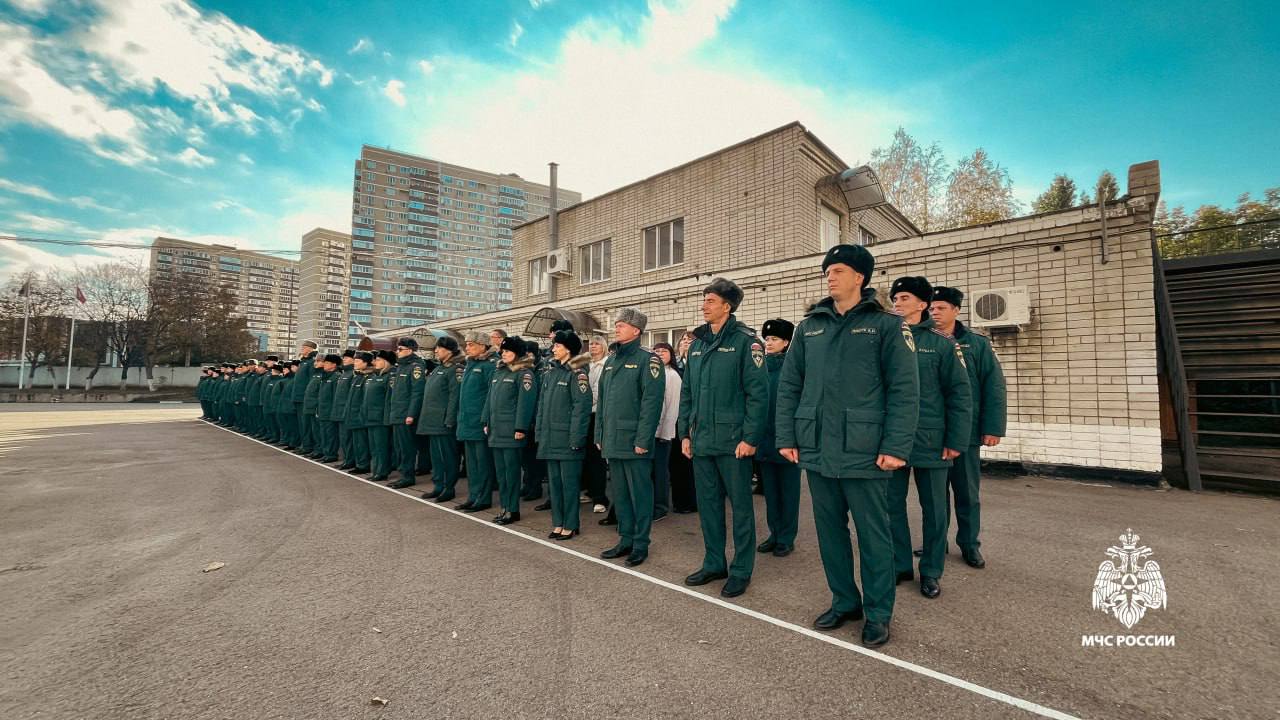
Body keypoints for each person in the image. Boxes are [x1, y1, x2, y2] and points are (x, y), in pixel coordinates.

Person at [775, 244, 919, 648]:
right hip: (817, 447)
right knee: (829, 532)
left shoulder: (888, 326)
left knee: (874, 535)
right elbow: (789, 386)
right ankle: (844, 602)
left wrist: (896, 445)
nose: (830, 276)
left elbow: (905, 390)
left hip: (866, 448)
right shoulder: (810, 327)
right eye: (828, 271)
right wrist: (786, 436)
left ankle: (878, 613)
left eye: (838, 270)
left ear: (860, 277)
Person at [678, 277, 770, 599]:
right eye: (704, 300)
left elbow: (758, 395)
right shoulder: (699, 343)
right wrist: (684, 433)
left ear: (727, 306)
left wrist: (750, 437)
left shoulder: (747, 342)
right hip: (701, 440)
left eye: (710, 301)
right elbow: (687, 392)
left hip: (734, 443)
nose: (704, 305)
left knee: (742, 509)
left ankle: (741, 570)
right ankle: (714, 562)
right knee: (709, 506)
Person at [887, 277, 972, 599]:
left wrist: (955, 440)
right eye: (895, 298)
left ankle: (932, 571)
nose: (897, 303)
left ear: (923, 304)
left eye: (904, 297)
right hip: (894, 441)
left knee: (935, 509)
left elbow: (959, 395)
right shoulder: (885, 338)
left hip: (932, 440)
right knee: (890, 505)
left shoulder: (941, 343)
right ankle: (899, 564)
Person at [929, 286, 1007, 569]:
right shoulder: (923, 340)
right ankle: (935, 543)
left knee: (966, 493)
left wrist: (993, 427)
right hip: (933, 434)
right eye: (932, 308)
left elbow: (994, 386)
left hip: (967, 433)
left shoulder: (976, 344)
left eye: (941, 307)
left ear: (956, 311)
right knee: (935, 497)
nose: (934, 312)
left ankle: (969, 544)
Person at [597, 308, 665, 568]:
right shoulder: (612, 360)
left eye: (622, 324)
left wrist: (643, 439)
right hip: (613, 440)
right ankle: (625, 539)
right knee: (621, 494)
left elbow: (652, 403)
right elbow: (603, 400)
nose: (617, 327)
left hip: (634, 441)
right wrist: (600, 433)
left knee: (640, 494)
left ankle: (640, 544)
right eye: (617, 324)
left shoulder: (649, 360)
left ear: (636, 330)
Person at [536, 330, 592, 540]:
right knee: (555, 485)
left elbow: (581, 408)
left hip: (567, 440)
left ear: (568, 349)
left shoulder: (577, 373)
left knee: (569, 486)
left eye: (557, 346)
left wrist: (576, 438)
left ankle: (571, 524)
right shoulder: (550, 373)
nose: (553, 349)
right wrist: (540, 433)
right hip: (551, 439)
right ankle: (558, 522)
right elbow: (542, 406)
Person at [756, 318, 800, 558]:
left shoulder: (793, 367)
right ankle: (774, 533)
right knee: (770, 492)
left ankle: (786, 537)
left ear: (786, 342)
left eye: (774, 339)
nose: (769, 343)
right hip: (764, 438)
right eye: (767, 339)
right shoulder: (760, 366)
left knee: (789, 492)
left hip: (787, 440)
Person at [483, 335, 538, 525]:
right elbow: (489, 400)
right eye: (503, 351)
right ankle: (504, 507)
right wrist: (486, 420)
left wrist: (521, 427)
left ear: (518, 353)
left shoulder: (524, 374)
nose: (503, 354)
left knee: (512, 473)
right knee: (501, 473)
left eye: (507, 351)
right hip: (496, 430)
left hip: (512, 431)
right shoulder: (498, 373)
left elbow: (526, 403)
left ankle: (513, 510)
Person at [417, 336, 464, 502]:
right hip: (432, 421)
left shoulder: (455, 369)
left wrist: (450, 420)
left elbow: (454, 397)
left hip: (444, 422)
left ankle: (448, 487)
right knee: (436, 457)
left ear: (449, 350)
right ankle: (438, 485)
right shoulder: (438, 369)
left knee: (448, 456)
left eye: (439, 348)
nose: (435, 351)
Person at [455, 332, 497, 513]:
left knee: (483, 463)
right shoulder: (470, 364)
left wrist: (485, 419)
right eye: (467, 344)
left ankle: (484, 498)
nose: (467, 348)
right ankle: (473, 496)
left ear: (483, 346)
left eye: (471, 344)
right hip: (467, 421)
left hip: (479, 422)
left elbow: (491, 395)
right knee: (471, 465)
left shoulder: (490, 365)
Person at [387, 338, 427, 489]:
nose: (397, 352)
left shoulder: (415, 367)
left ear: (410, 350)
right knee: (399, 447)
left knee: (407, 447)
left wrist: (411, 414)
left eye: (400, 349)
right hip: (397, 413)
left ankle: (408, 477)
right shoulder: (400, 367)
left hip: (406, 415)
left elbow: (417, 393)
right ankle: (403, 475)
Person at [651, 342, 682, 522]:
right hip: (648, 431)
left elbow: (673, 407)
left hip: (662, 432)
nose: (660, 353)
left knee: (660, 471)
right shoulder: (652, 372)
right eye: (656, 351)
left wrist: (665, 432)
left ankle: (660, 507)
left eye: (664, 350)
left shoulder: (672, 376)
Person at [583, 333, 611, 515]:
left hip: (597, 414)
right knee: (586, 456)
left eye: (596, 344)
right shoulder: (587, 365)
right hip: (585, 413)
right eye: (591, 344)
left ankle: (600, 497)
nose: (592, 347)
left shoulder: (606, 365)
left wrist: (583, 402)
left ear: (603, 347)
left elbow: (597, 391)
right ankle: (590, 491)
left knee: (597, 458)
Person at [521, 338, 549, 504]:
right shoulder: (526, 369)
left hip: (537, 419)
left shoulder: (542, 370)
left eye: (529, 354)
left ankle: (536, 487)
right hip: (527, 419)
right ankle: (527, 484)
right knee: (526, 457)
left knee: (536, 458)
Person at [364, 349, 397, 482]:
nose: (374, 362)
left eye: (378, 360)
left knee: (381, 447)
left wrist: (386, 419)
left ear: (386, 362)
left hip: (380, 418)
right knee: (374, 447)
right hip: (371, 417)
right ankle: (376, 470)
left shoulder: (390, 377)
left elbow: (390, 400)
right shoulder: (376, 376)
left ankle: (382, 471)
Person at [345, 352, 373, 475]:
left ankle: (363, 465)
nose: (354, 363)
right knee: (356, 442)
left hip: (360, 416)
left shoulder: (368, 377)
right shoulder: (358, 376)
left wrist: (361, 415)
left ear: (365, 363)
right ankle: (359, 463)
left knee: (362, 442)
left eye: (357, 361)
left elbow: (365, 399)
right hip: (352, 415)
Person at [291, 340, 319, 455]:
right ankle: (304, 444)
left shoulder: (311, 362)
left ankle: (307, 446)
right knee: (301, 424)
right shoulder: (303, 362)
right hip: (298, 397)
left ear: (311, 349)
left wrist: (308, 397)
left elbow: (311, 382)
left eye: (305, 346)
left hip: (304, 398)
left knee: (306, 424)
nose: (302, 348)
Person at [332, 349, 357, 468]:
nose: (344, 359)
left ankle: (350, 460)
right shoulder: (344, 373)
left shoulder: (353, 373)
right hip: (339, 410)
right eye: (344, 357)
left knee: (348, 438)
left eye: (347, 358)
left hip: (346, 411)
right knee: (343, 438)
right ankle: (347, 459)